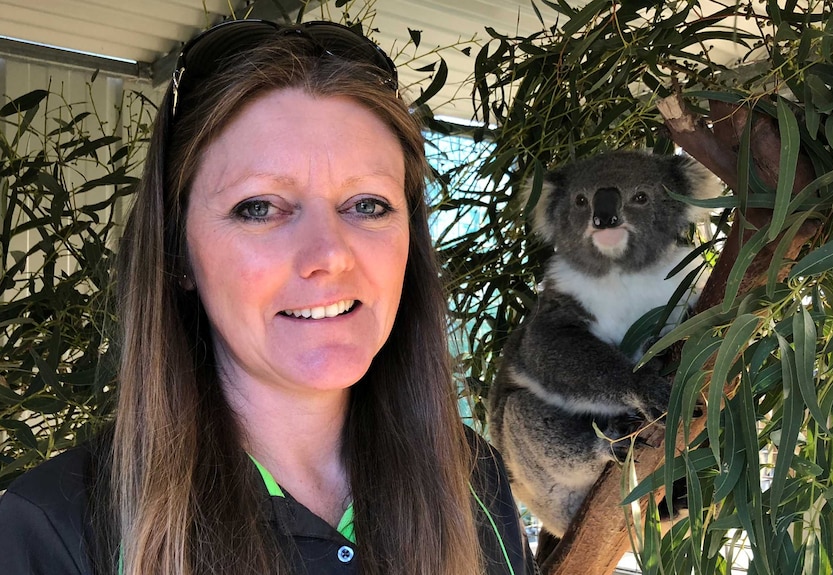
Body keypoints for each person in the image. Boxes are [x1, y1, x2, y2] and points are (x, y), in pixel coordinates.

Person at [0, 18, 536, 575]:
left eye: (368, 205)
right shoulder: (59, 528)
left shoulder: (472, 479)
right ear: (178, 251)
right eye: (259, 207)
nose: (330, 253)